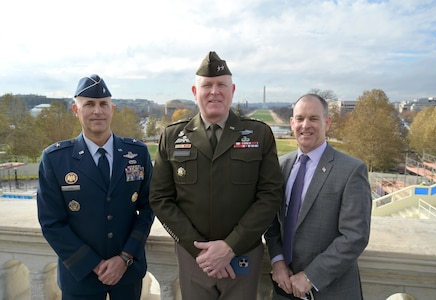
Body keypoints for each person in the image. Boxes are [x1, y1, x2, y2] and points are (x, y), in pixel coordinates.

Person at [149, 51, 283, 300]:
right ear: (194, 91)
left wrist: (231, 246)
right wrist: (198, 249)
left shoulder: (258, 135)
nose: (214, 91)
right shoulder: (171, 137)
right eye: (207, 85)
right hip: (193, 258)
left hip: (243, 255)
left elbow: (270, 196)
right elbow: (160, 198)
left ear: (232, 90)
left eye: (221, 85)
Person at [37, 74, 154, 299]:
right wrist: (93, 264)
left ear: (112, 109)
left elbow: (149, 207)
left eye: (103, 104)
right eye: (89, 104)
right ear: (75, 110)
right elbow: (51, 222)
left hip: (127, 274)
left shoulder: (137, 153)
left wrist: (125, 257)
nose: (97, 111)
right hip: (80, 276)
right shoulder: (55, 159)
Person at [264, 94, 372, 300]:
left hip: (331, 291)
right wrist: (277, 261)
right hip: (284, 289)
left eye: (314, 118)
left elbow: (355, 235)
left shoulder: (351, 170)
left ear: (327, 123)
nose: (306, 125)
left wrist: (311, 276)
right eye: (300, 118)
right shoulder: (280, 167)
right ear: (291, 123)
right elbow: (270, 222)